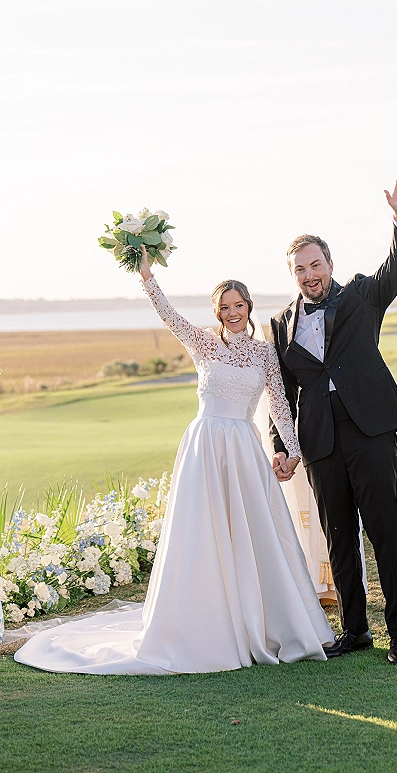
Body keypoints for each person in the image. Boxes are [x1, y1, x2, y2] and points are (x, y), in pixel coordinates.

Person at [14, 247, 334, 674]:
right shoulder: (202, 341)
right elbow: (168, 315)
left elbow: (279, 403)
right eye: (225, 307)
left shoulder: (263, 353)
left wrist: (292, 452)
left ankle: (264, 622)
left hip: (244, 449)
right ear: (217, 312)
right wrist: (147, 277)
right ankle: (203, 623)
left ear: (249, 308)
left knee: (255, 534)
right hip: (205, 446)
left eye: (239, 305)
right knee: (202, 534)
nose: (232, 312)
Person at [269, 171, 397, 664]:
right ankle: (355, 631)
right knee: (338, 536)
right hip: (319, 440)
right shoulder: (280, 323)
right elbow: (281, 392)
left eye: (316, 264)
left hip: (369, 428)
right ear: (292, 275)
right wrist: (282, 445)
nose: (310, 275)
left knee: (383, 530)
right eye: (300, 270)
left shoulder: (360, 296)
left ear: (329, 263)